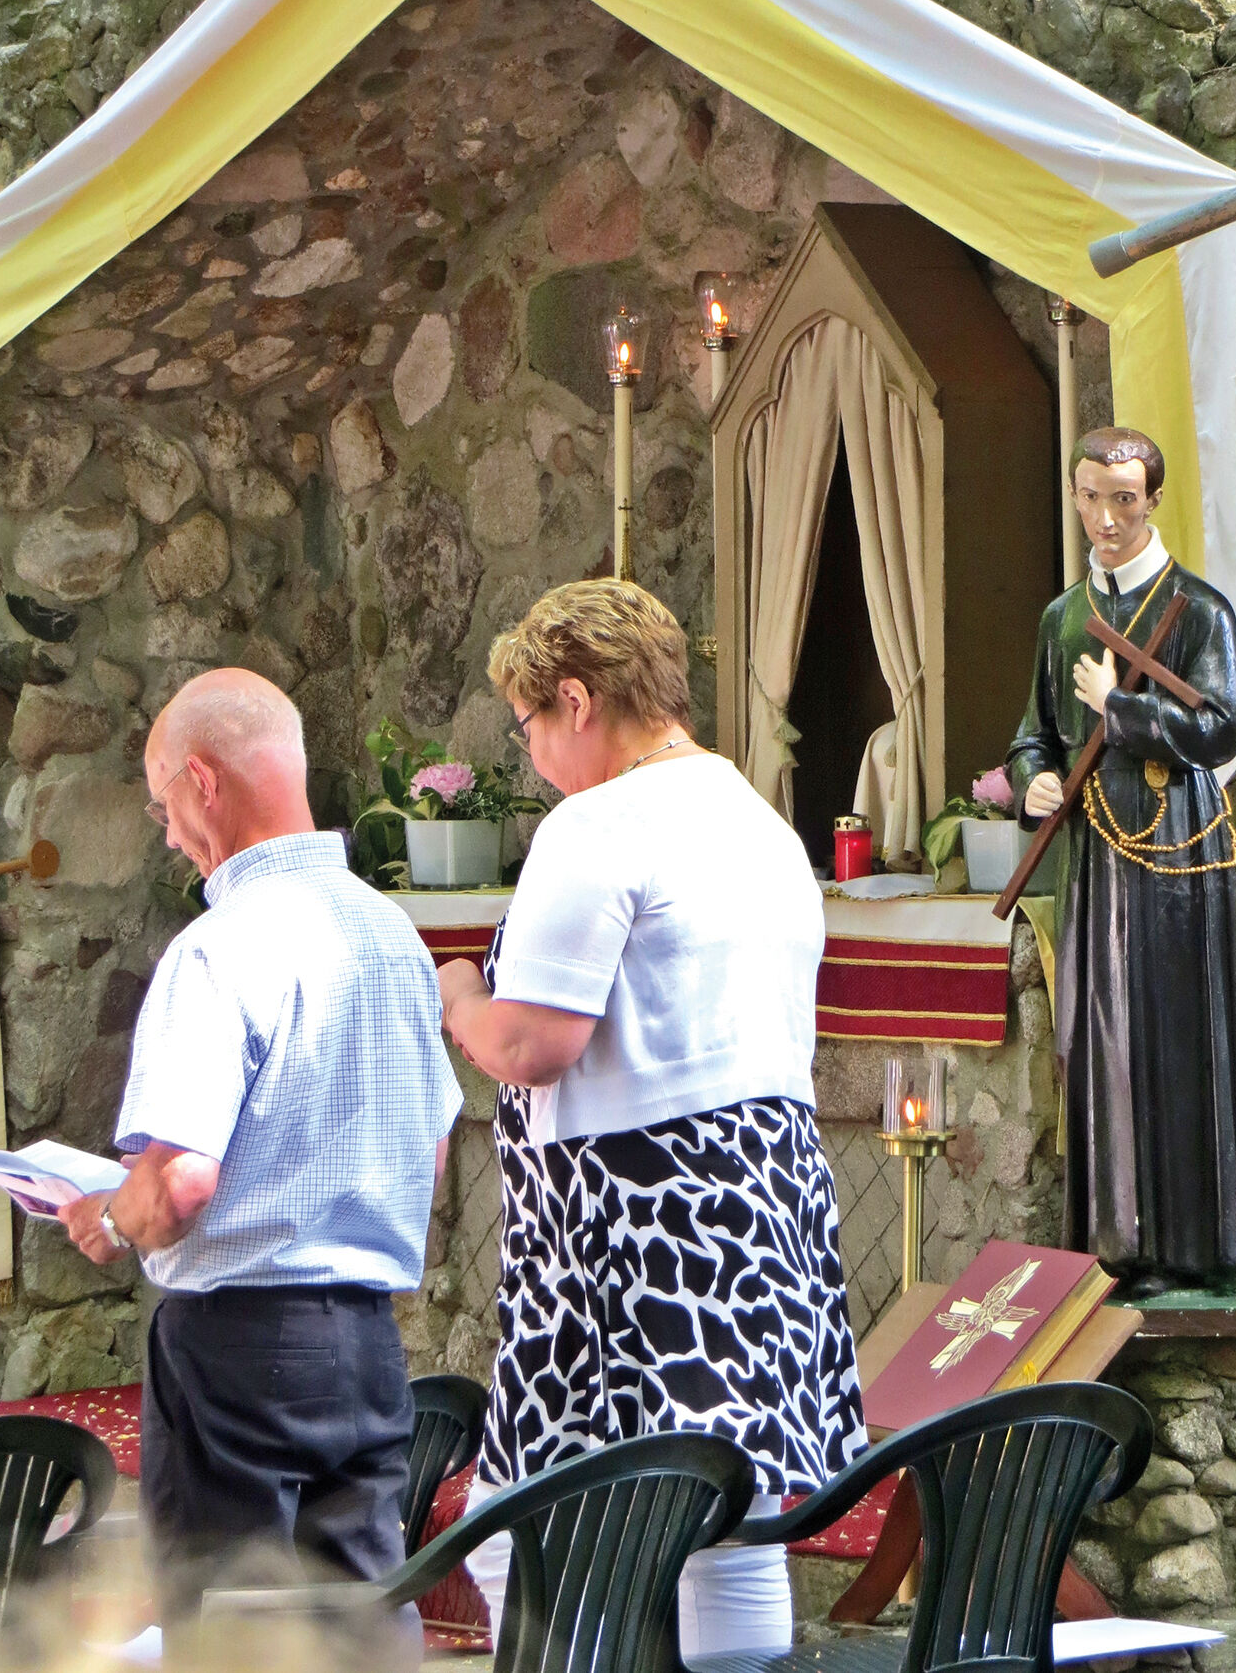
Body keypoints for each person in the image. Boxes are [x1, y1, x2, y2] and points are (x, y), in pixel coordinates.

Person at [437, 578, 865, 1660]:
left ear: (577, 700)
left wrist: (455, 998)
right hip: (762, 1194)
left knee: (508, 1523)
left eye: (531, 722)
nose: (532, 751)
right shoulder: (758, 819)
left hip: (634, 1214)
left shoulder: (598, 823)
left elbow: (534, 1044)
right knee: (730, 1522)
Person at [60, 667, 461, 1622]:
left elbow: (185, 1181)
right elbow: (434, 1146)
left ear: (202, 783)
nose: (165, 831)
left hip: (235, 1338)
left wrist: (112, 1218)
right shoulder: (392, 934)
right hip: (366, 1337)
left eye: (163, 802)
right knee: (354, 1619)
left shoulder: (218, 946)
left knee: (225, 1627)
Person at [1007, 426, 1236, 1295]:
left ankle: (1186, 1245)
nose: (1105, 518)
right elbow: (1033, 732)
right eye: (1090, 497)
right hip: (1096, 861)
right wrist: (1036, 778)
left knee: (1169, 1033)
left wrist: (1127, 715)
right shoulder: (1064, 617)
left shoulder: (1199, 610)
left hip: (1176, 858)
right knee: (1099, 1039)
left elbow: (1221, 728)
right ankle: (1113, 1241)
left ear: (1151, 500)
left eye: (1123, 499)